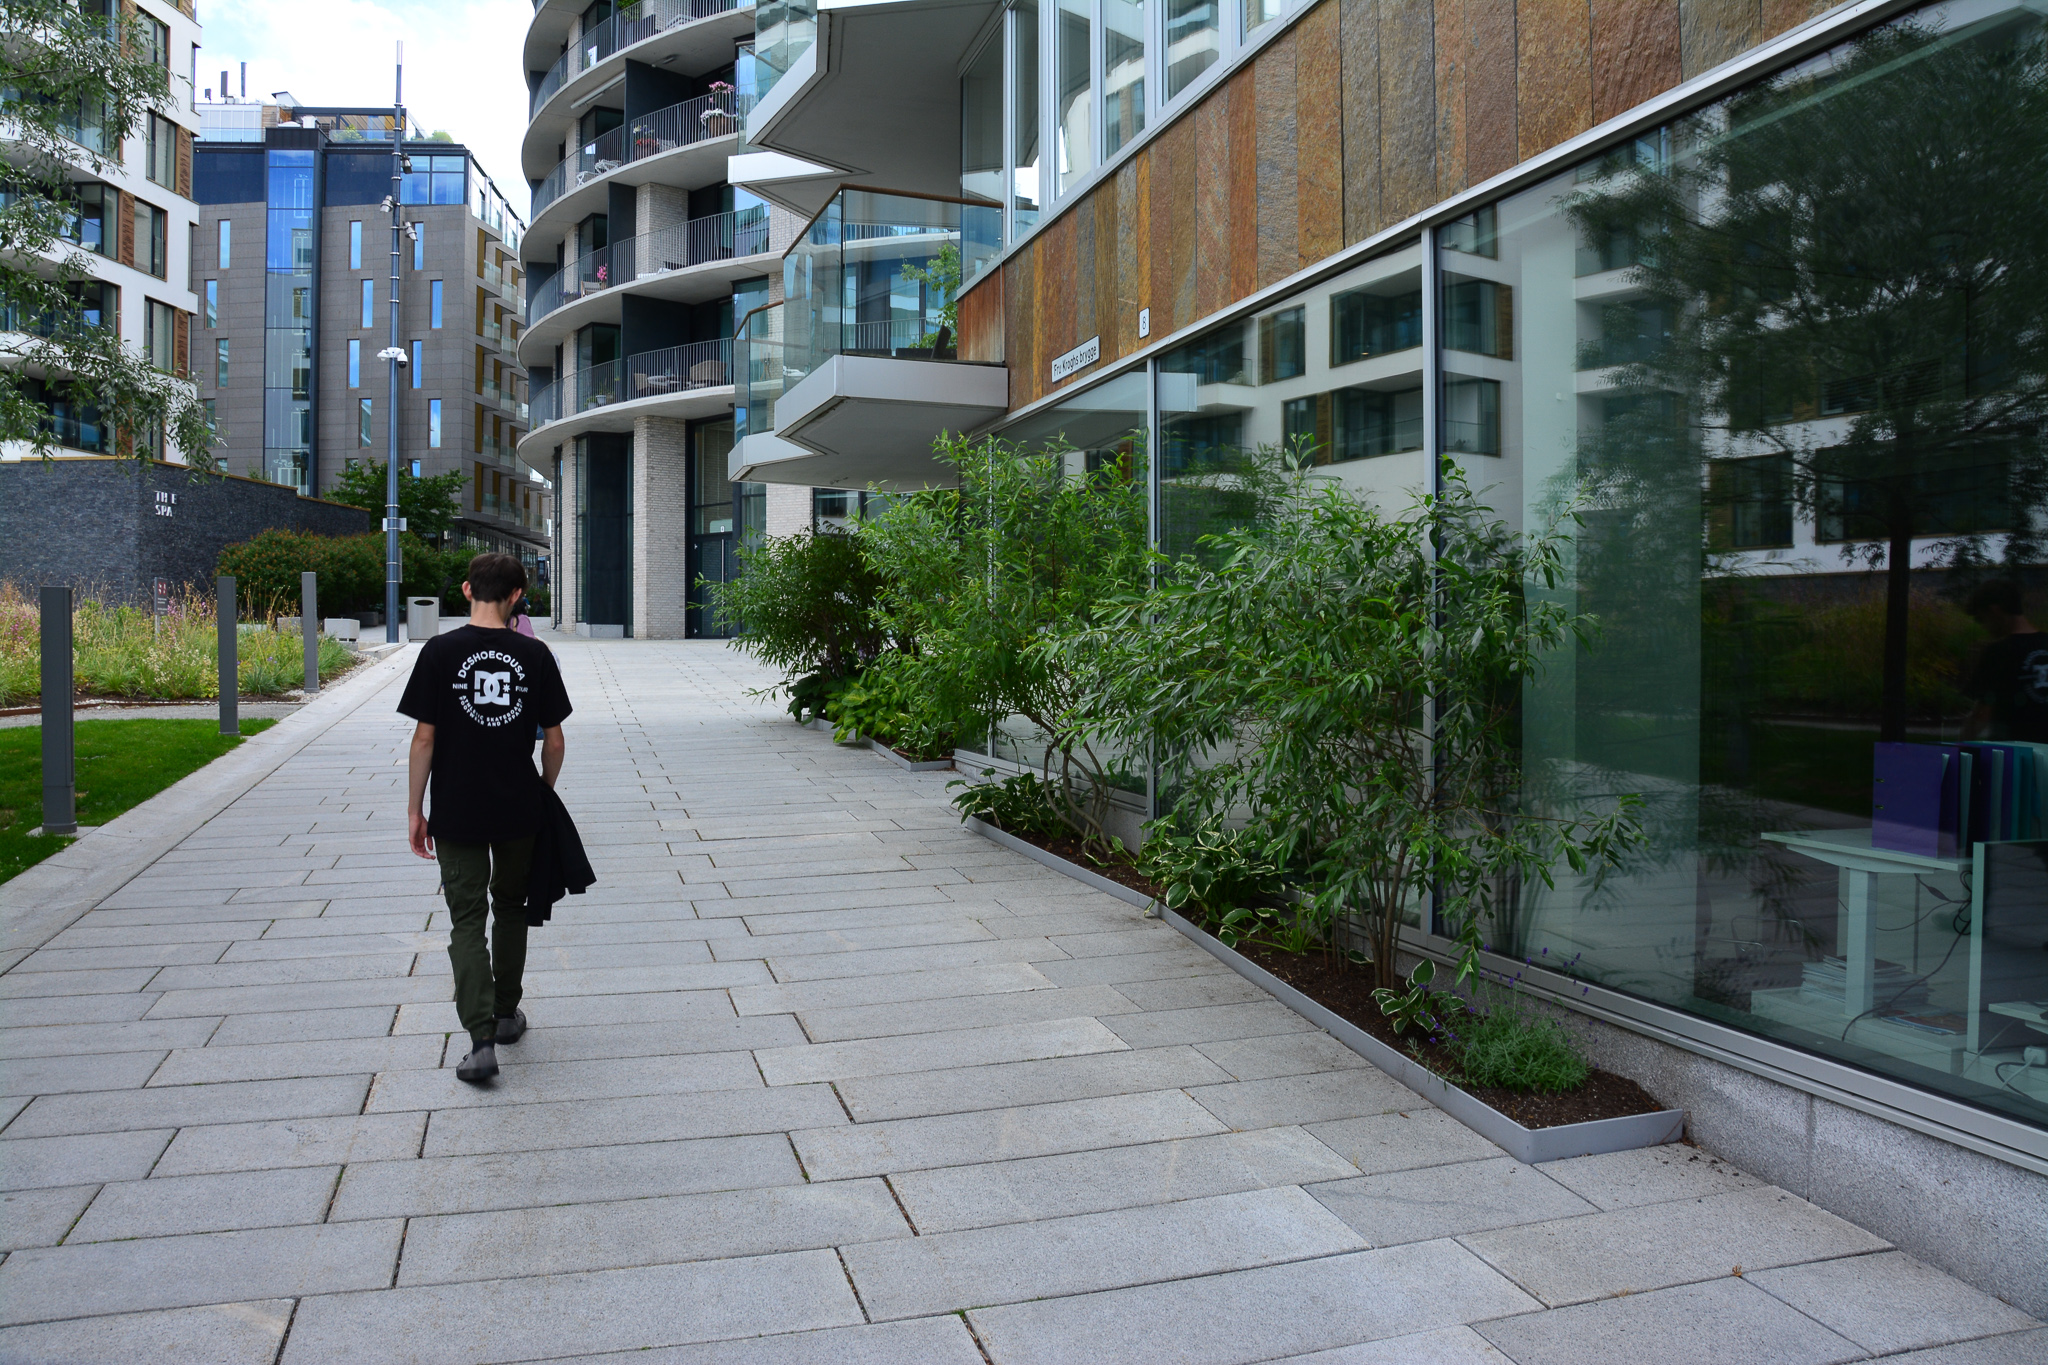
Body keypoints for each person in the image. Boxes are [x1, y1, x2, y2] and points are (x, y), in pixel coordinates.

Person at [400, 552, 573, 1083]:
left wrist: (415, 809)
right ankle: (504, 1014)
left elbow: (424, 738)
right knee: (511, 907)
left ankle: (479, 1043)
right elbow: (555, 741)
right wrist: (543, 792)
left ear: (466, 589)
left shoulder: (438, 652)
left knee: (467, 920)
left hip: (457, 806)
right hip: (518, 804)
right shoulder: (536, 655)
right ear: (517, 595)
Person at [1964, 579, 2048, 743]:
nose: (1983, 627)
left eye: (1981, 619)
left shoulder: (1998, 652)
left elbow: (1982, 714)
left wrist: (1961, 747)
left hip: (2014, 751)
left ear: (1994, 611)